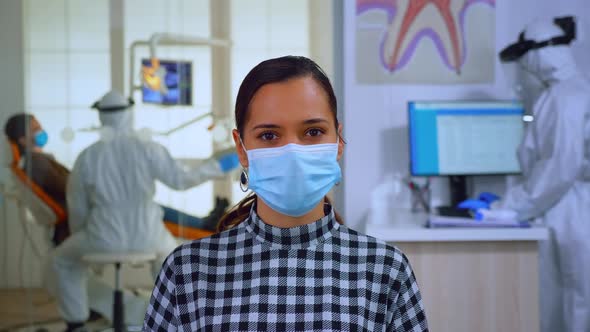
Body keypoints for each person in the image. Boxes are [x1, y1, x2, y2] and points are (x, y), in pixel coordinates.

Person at [144, 56, 428, 331]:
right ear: (241, 149)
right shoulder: (187, 271)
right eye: (269, 135)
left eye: (313, 132)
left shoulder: (385, 269)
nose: (292, 151)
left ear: (338, 141)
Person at [49, 90, 238, 332]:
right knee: (172, 264)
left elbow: (78, 208)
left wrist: (83, 239)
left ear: (101, 117)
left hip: (101, 238)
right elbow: (182, 180)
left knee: (62, 261)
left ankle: (76, 324)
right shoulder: (148, 148)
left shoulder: (88, 157)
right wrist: (221, 164)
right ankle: (184, 322)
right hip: (150, 237)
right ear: (129, 114)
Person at [4, 114, 230, 243]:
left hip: (96, 215)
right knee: (148, 207)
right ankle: (204, 223)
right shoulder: (39, 164)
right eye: (35, 128)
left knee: (150, 207)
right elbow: (71, 190)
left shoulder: (42, 160)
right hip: (95, 218)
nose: (42, 130)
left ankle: (204, 222)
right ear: (23, 140)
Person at [498, 17, 590, 332]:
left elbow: (560, 168)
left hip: (573, 209)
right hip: (565, 206)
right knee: (570, 297)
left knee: (575, 299)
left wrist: (511, 206)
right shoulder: (565, 92)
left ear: (539, 54)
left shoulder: (566, 97)